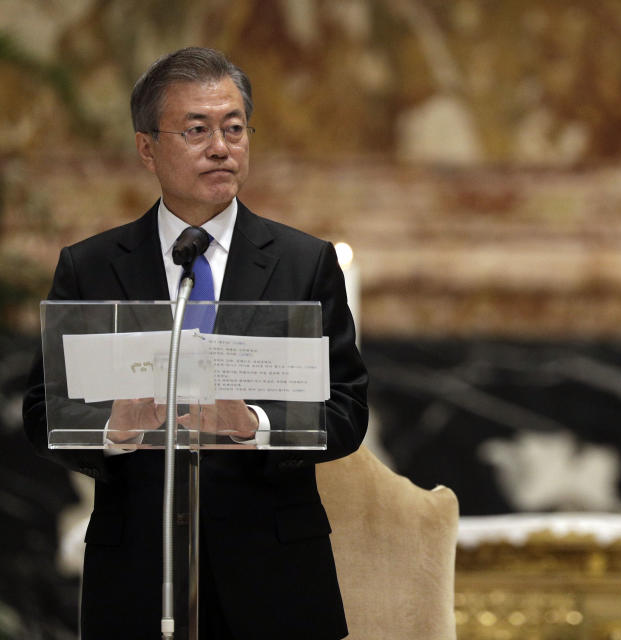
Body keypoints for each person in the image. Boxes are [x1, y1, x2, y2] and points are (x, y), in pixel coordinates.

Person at [21, 47, 368, 639]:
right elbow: (42, 411)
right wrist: (113, 428)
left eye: (235, 129)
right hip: (136, 571)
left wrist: (253, 422)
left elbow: (347, 411)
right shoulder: (93, 267)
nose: (221, 147)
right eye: (197, 130)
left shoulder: (304, 264)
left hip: (275, 577)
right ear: (147, 148)